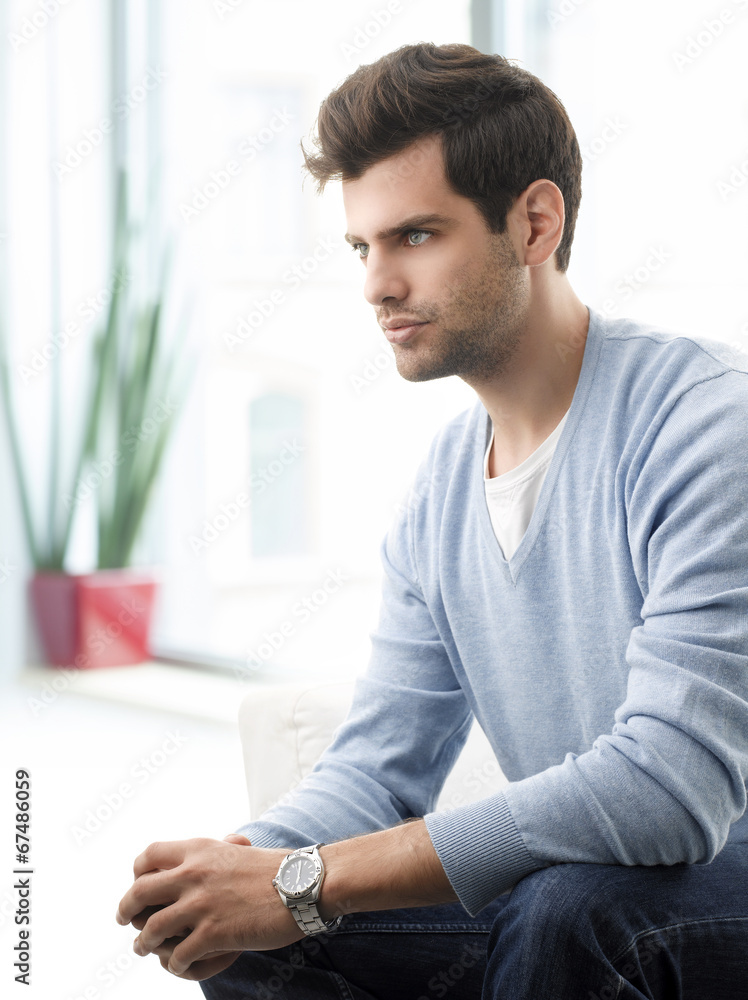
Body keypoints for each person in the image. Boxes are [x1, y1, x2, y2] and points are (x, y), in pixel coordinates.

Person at [115, 42, 748, 998]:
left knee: (568, 911)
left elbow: (669, 794)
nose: (376, 284)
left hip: (708, 884)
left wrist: (304, 881)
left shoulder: (704, 423)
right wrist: (241, 867)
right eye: (362, 247)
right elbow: (378, 768)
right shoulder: (440, 492)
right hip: (585, 889)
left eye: (415, 235)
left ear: (535, 223)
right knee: (251, 935)